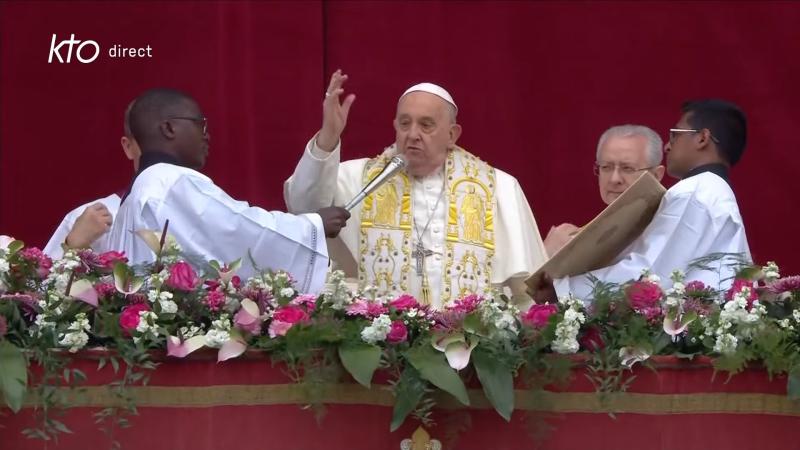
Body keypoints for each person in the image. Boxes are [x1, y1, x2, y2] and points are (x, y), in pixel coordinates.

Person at [284, 70, 548, 309]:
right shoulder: (358, 179)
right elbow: (303, 207)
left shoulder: (499, 188)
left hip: (472, 349)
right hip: (382, 344)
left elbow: (527, 292)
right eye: (405, 123)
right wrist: (328, 137)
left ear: (452, 135)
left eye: (426, 125)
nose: (412, 134)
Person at [109, 88, 350, 293]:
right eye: (200, 125)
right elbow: (239, 231)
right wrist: (313, 226)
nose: (207, 136)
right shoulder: (172, 181)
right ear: (169, 128)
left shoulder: (140, 189)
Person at [552, 99, 751, 301]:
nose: (667, 147)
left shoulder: (693, 192)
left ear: (702, 138)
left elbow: (648, 274)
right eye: (605, 167)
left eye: (675, 135)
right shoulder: (713, 190)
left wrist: (561, 288)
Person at [543, 125, 665, 256]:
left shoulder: (670, 231)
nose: (614, 179)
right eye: (606, 167)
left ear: (656, 175)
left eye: (627, 168)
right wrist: (545, 257)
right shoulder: (574, 239)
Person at [43, 100, 143, 259]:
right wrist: (74, 245)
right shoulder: (86, 218)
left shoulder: (196, 210)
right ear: (128, 146)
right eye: (150, 140)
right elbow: (41, 283)